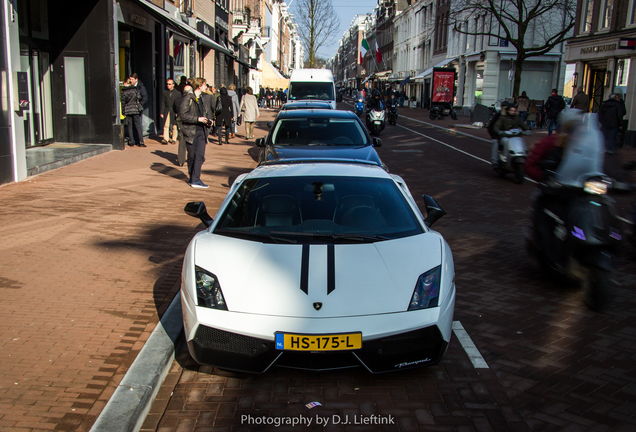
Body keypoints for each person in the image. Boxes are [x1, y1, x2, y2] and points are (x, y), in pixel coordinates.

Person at [179, 77, 213, 188]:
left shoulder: (202, 99)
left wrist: (208, 120)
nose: (206, 87)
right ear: (199, 86)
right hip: (190, 132)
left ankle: (195, 179)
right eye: (204, 85)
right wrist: (198, 119)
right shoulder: (188, 98)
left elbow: (204, 113)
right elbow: (183, 116)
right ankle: (193, 179)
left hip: (201, 131)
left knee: (200, 155)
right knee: (192, 156)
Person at [491, 102, 529, 167]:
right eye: (511, 110)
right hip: (505, 136)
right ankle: (505, 158)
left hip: (514, 136)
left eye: (514, 110)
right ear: (508, 110)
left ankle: (523, 157)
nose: (513, 112)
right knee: (505, 141)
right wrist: (499, 131)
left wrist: (527, 130)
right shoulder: (502, 117)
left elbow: (523, 125)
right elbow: (496, 126)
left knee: (521, 140)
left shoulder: (517, 118)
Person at [121, 77, 145, 147]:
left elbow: (123, 102)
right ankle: (140, 141)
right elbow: (139, 97)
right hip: (135, 109)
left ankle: (131, 141)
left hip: (128, 109)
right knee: (137, 126)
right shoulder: (134, 89)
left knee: (130, 126)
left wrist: (123, 111)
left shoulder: (124, 91)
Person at [174, 84, 193, 167]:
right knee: (191, 140)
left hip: (180, 121)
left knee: (182, 140)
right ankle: (191, 158)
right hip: (190, 121)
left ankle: (181, 160)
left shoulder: (178, 99)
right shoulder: (192, 99)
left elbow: (175, 109)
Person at [161, 79, 181, 144]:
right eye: (167, 84)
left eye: (169, 84)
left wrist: (178, 112)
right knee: (166, 125)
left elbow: (179, 103)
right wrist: (161, 112)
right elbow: (163, 102)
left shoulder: (178, 93)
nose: (168, 85)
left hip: (174, 110)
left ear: (173, 84)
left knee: (174, 125)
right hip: (167, 110)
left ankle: (174, 139)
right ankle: (165, 138)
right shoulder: (165, 92)